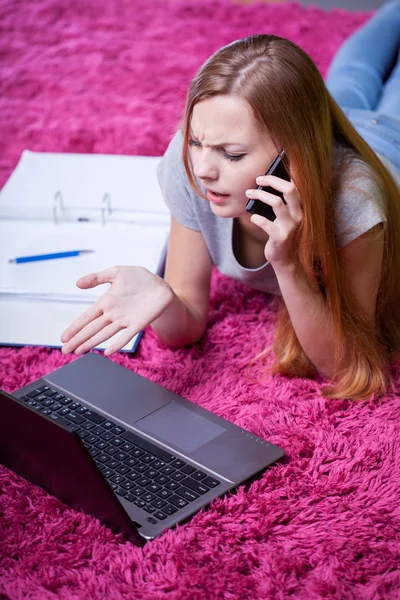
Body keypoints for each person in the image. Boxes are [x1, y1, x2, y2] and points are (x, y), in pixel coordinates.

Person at [61, 1, 400, 401]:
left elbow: (344, 367)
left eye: (232, 154)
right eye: (195, 140)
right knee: (356, 71)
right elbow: (185, 326)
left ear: (291, 158)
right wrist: (164, 296)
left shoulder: (354, 203)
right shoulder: (192, 164)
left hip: (388, 144)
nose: (204, 168)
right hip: (328, 122)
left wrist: (288, 264)